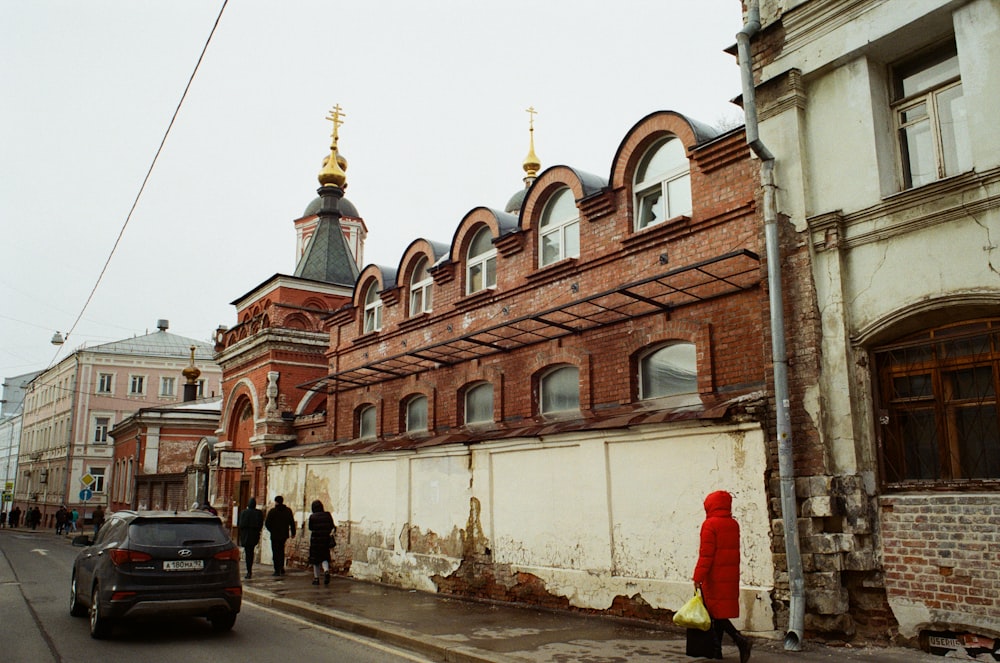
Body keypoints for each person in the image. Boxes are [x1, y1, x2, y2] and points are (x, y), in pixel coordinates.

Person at [692, 490, 751, 663]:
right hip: (729, 575)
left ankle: (740, 640)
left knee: (715, 612)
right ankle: (716, 651)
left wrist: (698, 577)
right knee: (717, 612)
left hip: (715, 576)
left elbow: (706, 555)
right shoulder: (733, 524)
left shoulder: (709, 525)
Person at [264, 495, 296, 576]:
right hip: (283, 535)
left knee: (275, 552)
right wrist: (293, 532)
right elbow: (292, 522)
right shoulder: (288, 511)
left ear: (276, 502)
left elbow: (267, 523)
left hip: (275, 535)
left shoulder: (272, 511)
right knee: (281, 551)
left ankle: (277, 569)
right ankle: (281, 567)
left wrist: (272, 530)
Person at [307, 499, 335, 586]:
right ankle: (326, 571)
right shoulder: (327, 515)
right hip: (325, 539)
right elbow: (332, 526)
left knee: (315, 560)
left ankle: (316, 578)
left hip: (315, 541)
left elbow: (310, 528)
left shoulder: (312, 517)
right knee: (324, 557)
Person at [237, 498, 264, 579]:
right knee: (250, 552)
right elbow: (260, 524)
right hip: (254, 535)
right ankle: (249, 570)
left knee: (248, 553)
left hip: (245, 535)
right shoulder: (258, 513)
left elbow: (240, 524)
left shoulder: (243, 512)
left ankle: (249, 571)